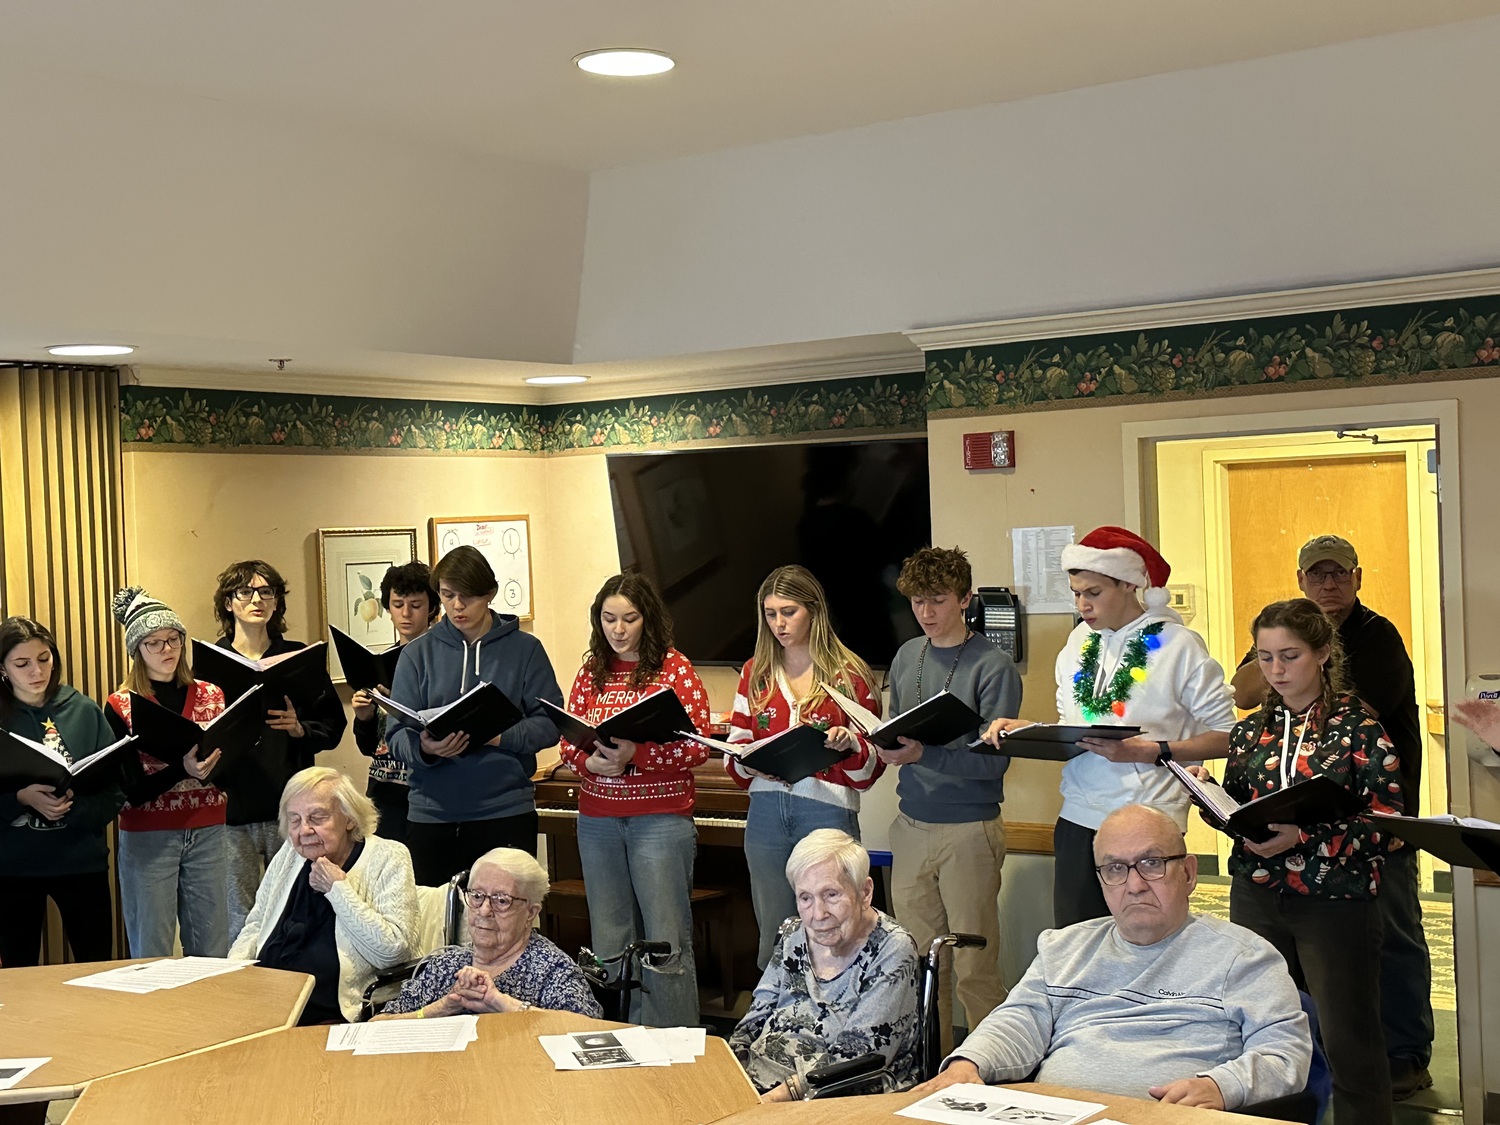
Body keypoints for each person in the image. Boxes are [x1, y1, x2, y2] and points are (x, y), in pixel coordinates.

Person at [914, 805, 1311, 1112]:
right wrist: (970, 1062)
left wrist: (1222, 1086)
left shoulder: (1244, 956)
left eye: (1152, 863)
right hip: (1056, 1114)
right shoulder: (1064, 947)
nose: (1134, 885)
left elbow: (1284, 1051)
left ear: (1188, 873)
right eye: (1116, 868)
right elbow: (1019, 1020)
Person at [1230, 534, 1434, 1099]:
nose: (1275, 669)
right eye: (1266, 657)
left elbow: (1383, 820)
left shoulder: (1359, 717)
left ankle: (1405, 1057)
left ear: (1321, 655)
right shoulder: (1252, 730)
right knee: (1268, 1025)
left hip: (1339, 893)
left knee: (1353, 1025)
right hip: (1261, 887)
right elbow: (1239, 790)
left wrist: (1309, 833)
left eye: (1290, 656)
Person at [984, 526, 1235, 928]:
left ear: (1128, 584)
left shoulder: (1178, 646)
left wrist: (1152, 751)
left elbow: (1229, 738)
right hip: (1079, 816)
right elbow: (1074, 727)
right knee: (1077, 941)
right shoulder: (1076, 644)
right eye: (1076, 593)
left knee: (1146, 939)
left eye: (1094, 593)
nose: (1082, 603)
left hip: (1148, 820)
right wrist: (1027, 729)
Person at [877, 546, 1022, 1056]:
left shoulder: (994, 665)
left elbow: (994, 762)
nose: (926, 612)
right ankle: (929, 1068)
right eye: (917, 601)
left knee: (974, 965)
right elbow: (895, 731)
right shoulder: (905, 655)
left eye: (937, 600)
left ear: (964, 599)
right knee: (919, 964)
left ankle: (991, 1067)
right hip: (911, 824)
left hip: (969, 829)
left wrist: (925, 755)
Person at [557, 573, 711, 1027]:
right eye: (608, 619)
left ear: (648, 619)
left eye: (629, 619)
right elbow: (569, 742)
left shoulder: (674, 667)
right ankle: (617, 1037)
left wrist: (637, 755)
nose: (618, 630)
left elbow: (698, 745)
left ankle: (676, 1043)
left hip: (660, 820)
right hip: (598, 818)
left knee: (665, 940)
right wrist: (589, 764)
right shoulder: (591, 671)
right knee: (609, 938)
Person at [727, 565, 885, 968]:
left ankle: (835, 1019)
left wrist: (849, 744)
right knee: (773, 929)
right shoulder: (755, 672)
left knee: (831, 925)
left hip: (826, 810)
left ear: (813, 611)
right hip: (765, 811)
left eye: (789, 612)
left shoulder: (850, 675)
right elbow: (736, 751)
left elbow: (872, 768)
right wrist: (750, 760)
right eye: (770, 613)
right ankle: (777, 1019)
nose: (779, 623)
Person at [385, 546, 563, 885]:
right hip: (432, 815)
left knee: (505, 922)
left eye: (467, 597)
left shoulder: (525, 650)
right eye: (448, 595)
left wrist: (499, 736)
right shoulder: (417, 654)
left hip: (505, 811)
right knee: (437, 925)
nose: (457, 606)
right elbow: (396, 735)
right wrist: (426, 750)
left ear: (490, 593)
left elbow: (550, 723)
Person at [211, 560, 348, 941]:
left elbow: (334, 725)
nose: (256, 599)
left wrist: (300, 727)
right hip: (231, 806)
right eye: (245, 592)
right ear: (228, 602)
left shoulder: (297, 656)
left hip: (291, 807)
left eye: (266, 592)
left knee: (295, 903)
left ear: (276, 603)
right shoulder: (211, 663)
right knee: (239, 914)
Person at [730, 829, 920, 1101]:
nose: (818, 914)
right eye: (805, 898)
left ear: (864, 892)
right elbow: (754, 1019)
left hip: (836, 1094)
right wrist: (730, 1073)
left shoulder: (892, 948)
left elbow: (857, 1056)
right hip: (759, 1084)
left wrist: (770, 1101)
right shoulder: (794, 935)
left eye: (831, 894)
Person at [229, 766, 418, 1024]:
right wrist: (231, 975)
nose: (303, 830)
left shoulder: (389, 857)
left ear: (349, 818)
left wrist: (338, 890)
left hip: (328, 1014)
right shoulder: (290, 854)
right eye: (294, 820)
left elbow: (394, 953)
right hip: (267, 1005)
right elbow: (256, 923)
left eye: (317, 817)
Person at [106, 586, 230, 957]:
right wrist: (183, 768)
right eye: (154, 643)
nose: (167, 650)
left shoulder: (211, 694)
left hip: (209, 828)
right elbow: (129, 788)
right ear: (137, 652)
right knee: (151, 947)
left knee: (212, 946)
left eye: (174, 639)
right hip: (149, 837)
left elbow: (229, 763)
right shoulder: (121, 706)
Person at [0, 617, 128, 967]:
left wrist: (74, 809)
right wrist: (19, 799)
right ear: (3, 668)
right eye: (22, 664)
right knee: (17, 973)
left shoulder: (83, 710)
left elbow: (115, 789)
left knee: (95, 966)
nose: (36, 671)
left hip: (80, 861)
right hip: (13, 867)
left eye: (44, 659)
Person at [375, 847, 602, 1019]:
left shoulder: (552, 968)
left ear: (530, 913)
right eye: (477, 896)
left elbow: (585, 1031)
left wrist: (499, 1002)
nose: (484, 910)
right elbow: (378, 1026)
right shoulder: (446, 965)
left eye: (501, 901)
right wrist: (445, 1005)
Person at [349, 561, 439, 845]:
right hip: (383, 791)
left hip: (424, 792)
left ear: (432, 608)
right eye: (397, 604)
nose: (406, 613)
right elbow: (368, 747)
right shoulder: (381, 662)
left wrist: (400, 707)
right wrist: (364, 716)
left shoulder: (442, 662)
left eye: (416, 605)